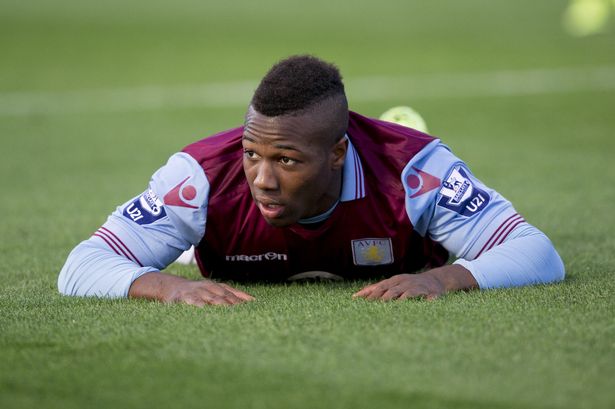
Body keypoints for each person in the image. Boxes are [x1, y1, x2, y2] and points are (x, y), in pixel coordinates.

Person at [58, 55, 565, 306]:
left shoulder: (417, 172)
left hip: (405, 192)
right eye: (252, 153)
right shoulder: (200, 178)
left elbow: (536, 251)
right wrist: (167, 286)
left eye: (287, 160)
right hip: (211, 235)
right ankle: (190, 248)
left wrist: (442, 279)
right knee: (186, 239)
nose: (262, 179)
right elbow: (80, 267)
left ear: (338, 153)